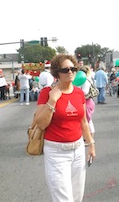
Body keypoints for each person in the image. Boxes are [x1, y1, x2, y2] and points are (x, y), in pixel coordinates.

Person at [35, 54, 96, 202]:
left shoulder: (79, 93)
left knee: (77, 196)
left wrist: (91, 145)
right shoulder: (47, 93)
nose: (70, 72)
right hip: (56, 153)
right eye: (65, 69)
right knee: (63, 199)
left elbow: (83, 122)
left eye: (73, 69)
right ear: (57, 73)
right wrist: (52, 100)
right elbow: (41, 123)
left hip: (78, 151)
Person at [80, 66, 96, 138]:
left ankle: (90, 137)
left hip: (87, 102)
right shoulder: (86, 80)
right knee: (86, 120)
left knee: (88, 120)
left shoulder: (85, 81)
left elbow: (85, 92)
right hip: (87, 102)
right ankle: (88, 137)